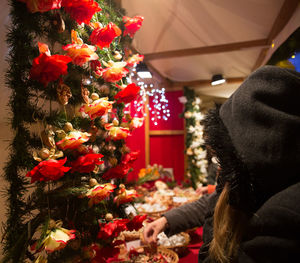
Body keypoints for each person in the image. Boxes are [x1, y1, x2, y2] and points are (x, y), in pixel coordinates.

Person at [143, 66, 300, 262]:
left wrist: (222, 184)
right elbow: (214, 199)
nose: (220, 164)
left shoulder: (282, 218)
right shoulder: (262, 184)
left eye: (226, 155)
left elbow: (212, 255)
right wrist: (166, 220)